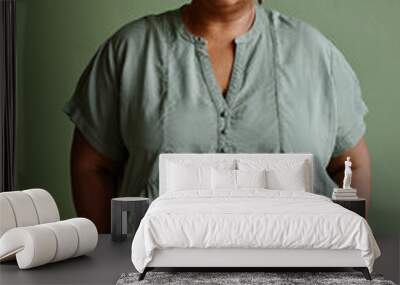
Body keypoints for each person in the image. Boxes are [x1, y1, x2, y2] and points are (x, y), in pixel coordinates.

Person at [64, 0, 371, 233]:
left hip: (302, 268)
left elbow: (352, 163)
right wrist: (111, 253)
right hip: (154, 268)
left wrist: (342, 245)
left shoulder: (314, 53)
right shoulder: (130, 50)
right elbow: (91, 165)